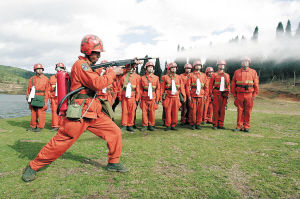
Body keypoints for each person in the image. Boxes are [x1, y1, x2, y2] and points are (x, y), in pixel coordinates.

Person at [22, 34, 130, 182]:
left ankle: (113, 162)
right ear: (88, 51)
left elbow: (104, 78)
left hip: (94, 111)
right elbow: (98, 83)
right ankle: (33, 166)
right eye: (96, 52)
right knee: (61, 141)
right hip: (79, 112)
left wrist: (126, 68)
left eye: (99, 52)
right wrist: (112, 72)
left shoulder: (89, 66)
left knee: (115, 132)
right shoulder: (82, 65)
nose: (98, 55)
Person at [232, 57, 259, 133]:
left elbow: (256, 84)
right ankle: (239, 126)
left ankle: (246, 126)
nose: (245, 63)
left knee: (248, 111)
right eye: (243, 61)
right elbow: (233, 84)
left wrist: (254, 95)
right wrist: (234, 95)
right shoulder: (236, 72)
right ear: (241, 63)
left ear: (249, 63)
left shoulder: (253, 72)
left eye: (246, 61)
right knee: (240, 111)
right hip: (239, 94)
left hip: (249, 95)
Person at [161, 62, 186, 131]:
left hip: (176, 97)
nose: (174, 69)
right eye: (172, 68)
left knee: (175, 112)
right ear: (169, 69)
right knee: (168, 112)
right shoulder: (164, 77)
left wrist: (184, 96)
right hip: (168, 96)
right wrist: (161, 97)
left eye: (175, 68)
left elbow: (182, 88)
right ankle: (168, 125)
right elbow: (162, 88)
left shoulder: (179, 77)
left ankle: (173, 125)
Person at [26, 63, 49, 132]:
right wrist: (28, 97)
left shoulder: (46, 79)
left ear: (42, 70)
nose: (39, 70)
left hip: (42, 96)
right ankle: (33, 126)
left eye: (40, 69)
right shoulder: (32, 79)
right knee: (33, 112)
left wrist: (45, 101)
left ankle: (40, 127)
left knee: (40, 112)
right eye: (38, 69)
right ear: (35, 70)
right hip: (33, 96)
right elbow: (29, 89)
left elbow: (47, 90)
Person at [186, 60, 208, 130]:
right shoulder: (191, 75)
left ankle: (198, 123)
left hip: (201, 95)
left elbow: (206, 87)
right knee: (193, 110)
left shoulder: (204, 75)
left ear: (201, 67)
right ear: (194, 66)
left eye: (199, 65)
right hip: (193, 95)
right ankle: (193, 124)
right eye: (197, 65)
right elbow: (187, 86)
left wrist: (205, 95)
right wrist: (189, 96)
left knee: (200, 110)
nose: (198, 66)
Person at [119, 64, 141, 132]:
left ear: (135, 69)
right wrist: (120, 97)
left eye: (132, 68)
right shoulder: (123, 77)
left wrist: (137, 98)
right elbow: (120, 88)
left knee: (132, 112)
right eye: (129, 68)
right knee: (124, 111)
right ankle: (124, 125)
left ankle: (130, 125)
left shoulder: (138, 77)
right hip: (124, 98)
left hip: (132, 97)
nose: (131, 70)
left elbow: (138, 89)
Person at [139, 61, 160, 131]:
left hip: (153, 97)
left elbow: (158, 89)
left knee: (152, 112)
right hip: (144, 97)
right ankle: (145, 125)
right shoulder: (142, 78)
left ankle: (151, 125)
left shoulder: (156, 78)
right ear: (146, 69)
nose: (150, 69)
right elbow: (140, 89)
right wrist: (140, 98)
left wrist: (157, 99)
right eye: (149, 67)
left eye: (151, 67)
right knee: (144, 112)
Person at [209, 60, 230, 130]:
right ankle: (215, 124)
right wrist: (211, 94)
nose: (222, 66)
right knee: (216, 109)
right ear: (217, 66)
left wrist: (228, 94)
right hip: (216, 92)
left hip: (224, 93)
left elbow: (228, 85)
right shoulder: (214, 75)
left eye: (223, 65)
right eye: (220, 65)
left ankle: (221, 124)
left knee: (222, 110)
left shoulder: (227, 75)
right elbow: (210, 85)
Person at [48, 63, 66, 131]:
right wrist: (50, 98)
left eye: (61, 68)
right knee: (54, 112)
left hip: (63, 98)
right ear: (56, 69)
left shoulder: (66, 76)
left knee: (62, 112)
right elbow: (48, 89)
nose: (59, 69)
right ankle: (55, 126)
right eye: (58, 68)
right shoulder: (52, 78)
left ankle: (62, 126)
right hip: (54, 98)